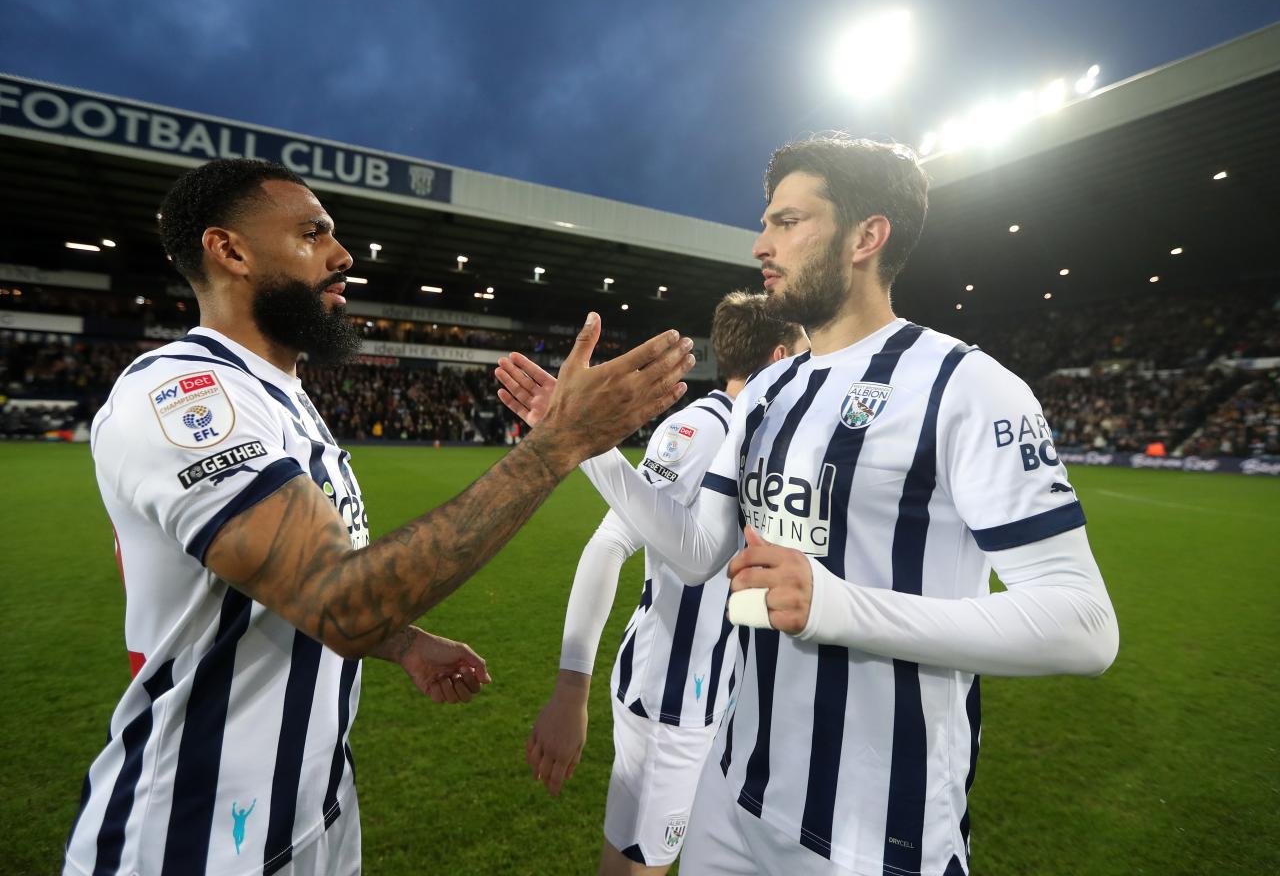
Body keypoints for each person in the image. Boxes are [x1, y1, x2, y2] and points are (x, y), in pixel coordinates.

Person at [500, 137, 1119, 876]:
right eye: (766, 223)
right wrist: (583, 446)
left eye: (789, 222)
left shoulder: (966, 387)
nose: (762, 245)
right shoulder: (769, 392)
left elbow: (1083, 625)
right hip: (733, 797)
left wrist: (835, 604)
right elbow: (699, 552)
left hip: (877, 836)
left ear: (867, 236)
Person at [63, 158, 694, 876]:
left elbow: (292, 594)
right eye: (312, 234)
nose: (344, 255)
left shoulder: (283, 399)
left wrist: (402, 643)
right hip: (193, 840)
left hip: (312, 814)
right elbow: (340, 601)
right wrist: (559, 445)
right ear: (228, 250)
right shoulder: (183, 396)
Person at [507, 292, 807, 875]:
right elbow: (615, 543)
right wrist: (571, 689)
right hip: (672, 696)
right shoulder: (704, 427)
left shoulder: (755, 436)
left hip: (720, 695)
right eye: (804, 353)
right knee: (635, 865)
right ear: (778, 359)